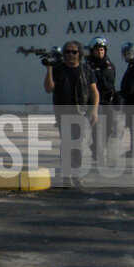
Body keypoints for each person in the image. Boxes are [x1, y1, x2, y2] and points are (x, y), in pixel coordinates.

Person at [44, 40, 99, 187]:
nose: (70, 54)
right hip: (63, 113)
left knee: (78, 145)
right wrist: (49, 69)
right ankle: (67, 176)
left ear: (79, 54)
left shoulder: (86, 70)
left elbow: (94, 92)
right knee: (67, 144)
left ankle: (76, 174)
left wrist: (94, 110)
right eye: (67, 51)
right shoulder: (58, 69)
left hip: (80, 112)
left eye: (74, 52)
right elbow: (49, 88)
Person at [86, 37, 117, 164]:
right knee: (97, 128)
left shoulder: (109, 65)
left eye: (102, 50)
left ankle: (99, 147)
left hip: (108, 100)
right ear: (92, 51)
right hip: (95, 102)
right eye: (97, 50)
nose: (100, 53)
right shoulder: (88, 66)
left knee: (110, 127)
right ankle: (97, 153)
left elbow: (112, 81)